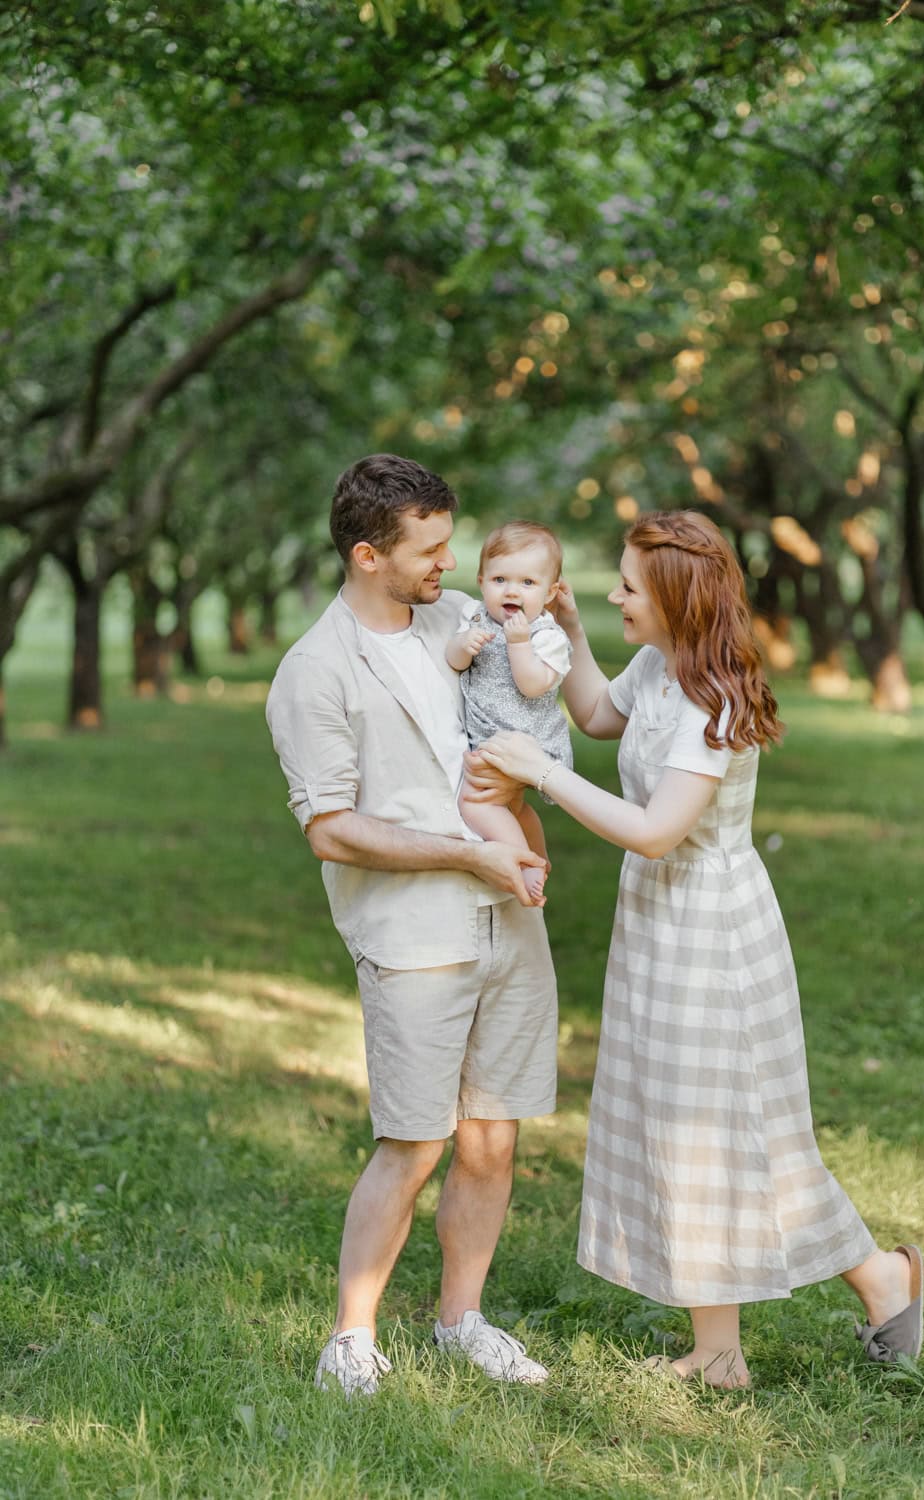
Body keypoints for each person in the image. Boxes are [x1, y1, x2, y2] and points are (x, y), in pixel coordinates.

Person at [474, 510, 924, 1389]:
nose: (612, 595)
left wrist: (540, 773)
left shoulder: (710, 700)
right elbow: (601, 713)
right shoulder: (660, 665)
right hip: (660, 923)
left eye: (629, 588)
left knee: (737, 1131)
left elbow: (655, 832)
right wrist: (566, 631)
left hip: (711, 931)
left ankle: (882, 1276)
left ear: (676, 596)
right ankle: (721, 1353)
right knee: (685, 1130)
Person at [265, 454, 558, 1398]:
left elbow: (528, 701)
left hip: (507, 912)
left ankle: (459, 1320)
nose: (450, 563)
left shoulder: (460, 619)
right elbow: (331, 828)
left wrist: (520, 837)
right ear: (365, 555)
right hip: (413, 931)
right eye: (429, 550)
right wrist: (466, 853)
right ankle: (351, 1338)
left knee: (491, 1136)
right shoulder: (314, 672)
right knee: (415, 1141)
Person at [445, 521, 573, 906]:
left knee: (475, 802)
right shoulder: (477, 618)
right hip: (495, 735)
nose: (512, 590)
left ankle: (518, 860)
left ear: (550, 592)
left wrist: (519, 644)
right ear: (482, 581)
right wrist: (463, 645)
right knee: (514, 807)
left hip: (523, 741)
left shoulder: (547, 637)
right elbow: (455, 662)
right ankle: (539, 860)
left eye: (528, 583)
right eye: (500, 579)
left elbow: (534, 684)